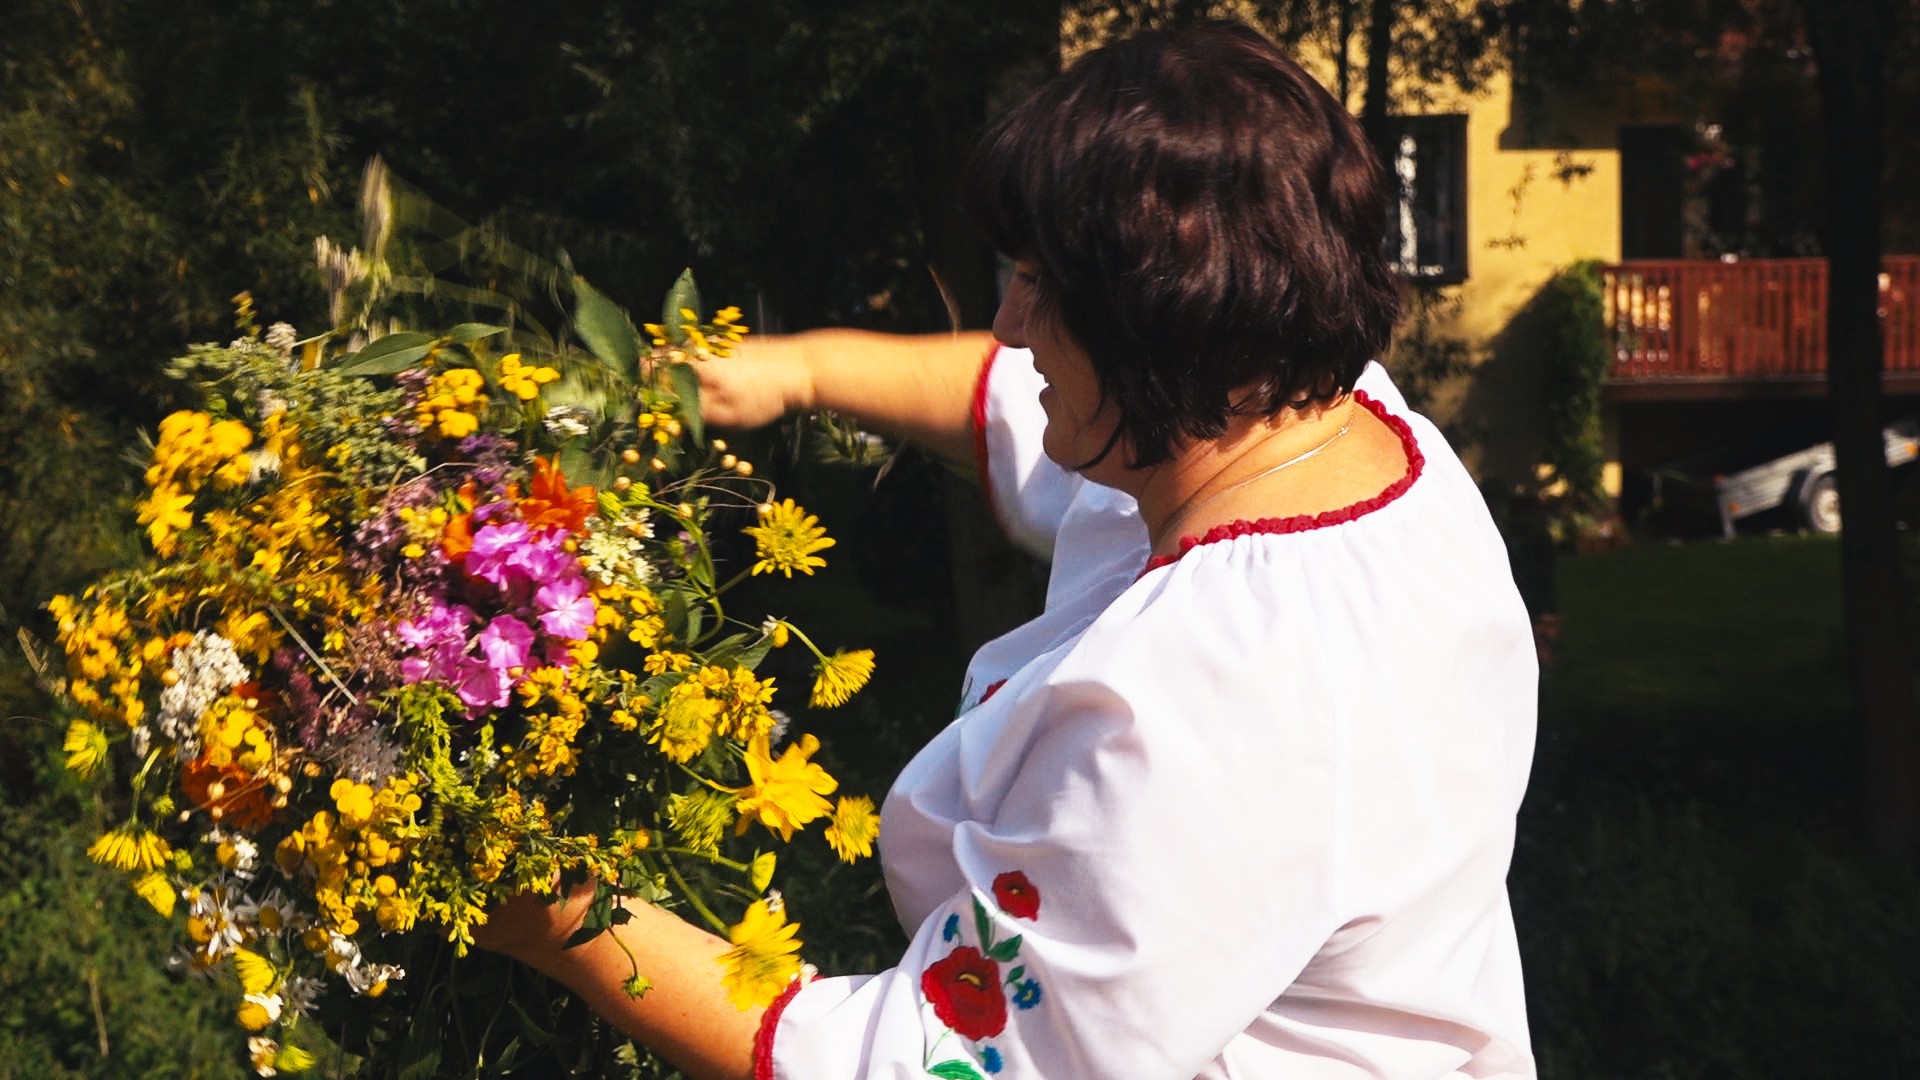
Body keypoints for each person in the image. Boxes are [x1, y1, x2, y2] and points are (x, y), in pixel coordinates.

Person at [478, 21, 1538, 1079]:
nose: (1011, 321)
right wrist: (791, 371)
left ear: (1158, 321)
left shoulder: (1212, 703)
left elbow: (919, 1066)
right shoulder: (1338, 425)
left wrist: (553, 912)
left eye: (1040, 283)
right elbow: (1021, 409)